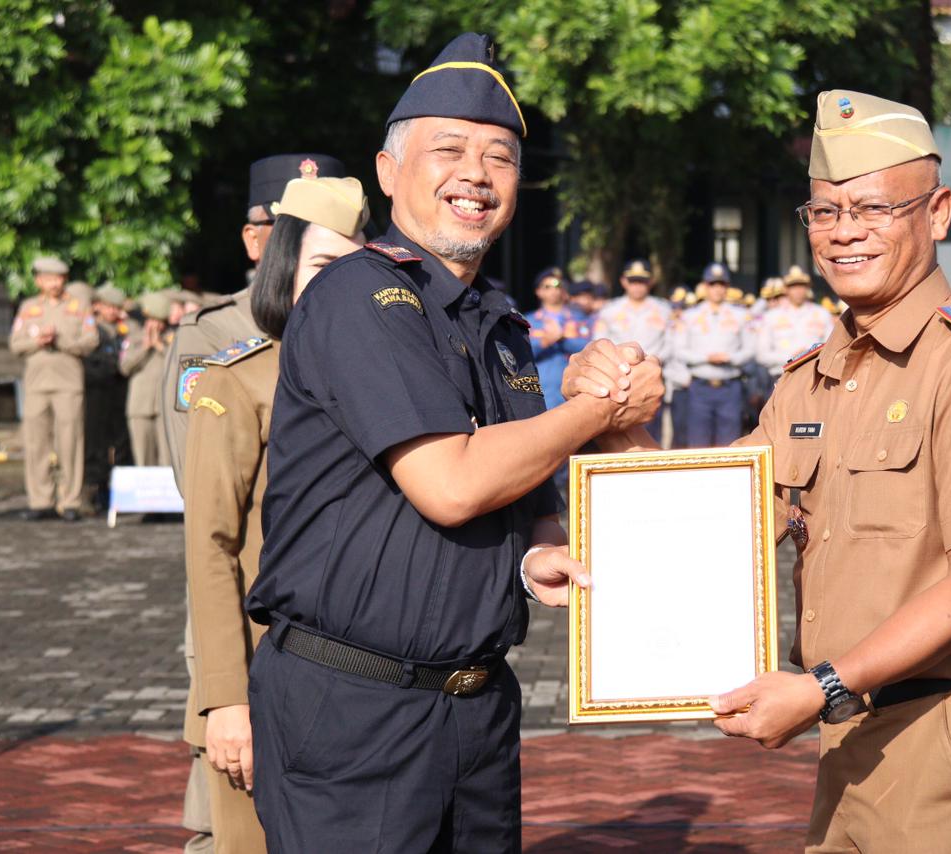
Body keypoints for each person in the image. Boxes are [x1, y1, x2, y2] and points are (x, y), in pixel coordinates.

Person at [564, 89, 951, 851]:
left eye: (871, 209)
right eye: (824, 213)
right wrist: (607, 415)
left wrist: (822, 686)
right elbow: (709, 516)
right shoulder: (809, 377)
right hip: (853, 733)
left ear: (936, 213)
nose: (843, 234)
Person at [243, 33, 662, 851]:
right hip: (352, 708)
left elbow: (522, 492)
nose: (476, 173)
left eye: (500, 158)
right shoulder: (359, 295)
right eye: (449, 150)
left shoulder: (499, 324)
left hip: (476, 710)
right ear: (390, 171)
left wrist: (539, 550)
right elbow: (454, 485)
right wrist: (598, 409)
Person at [182, 175, 370, 854]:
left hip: (364, 688)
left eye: (356, 264)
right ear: (283, 270)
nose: (340, 282)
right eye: (323, 264)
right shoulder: (239, 380)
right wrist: (226, 702)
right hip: (265, 683)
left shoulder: (387, 380)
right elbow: (210, 548)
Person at [161, 153, 347, 493]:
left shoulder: (364, 319)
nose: (305, 237)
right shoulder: (211, 331)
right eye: (289, 225)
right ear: (252, 239)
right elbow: (202, 481)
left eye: (326, 224)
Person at [9, 255, 99, 521]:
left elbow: (90, 340)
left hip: (68, 384)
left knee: (70, 442)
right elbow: (15, 344)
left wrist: (61, 341)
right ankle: (40, 501)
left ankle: (70, 500)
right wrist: (38, 341)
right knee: (36, 442)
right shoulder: (28, 307)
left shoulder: (78, 306)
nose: (53, 283)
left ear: (65, 279)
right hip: (36, 385)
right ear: (38, 281)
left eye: (58, 278)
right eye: (47, 278)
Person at [592, 258, 674, 445]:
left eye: (642, 281)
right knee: (618, 437)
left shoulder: (663, 310)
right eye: (633, 281)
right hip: (619, 380)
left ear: (651, 282)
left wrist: (650, 362)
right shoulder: (610, 310)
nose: (637, 286)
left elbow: (671, 344)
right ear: (623, 282)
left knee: (652, 436)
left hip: (651, 377)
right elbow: (599, 342)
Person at [674, 262, 754, 446]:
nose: (717, 289)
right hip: (700, 387)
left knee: (730, 443)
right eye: (713, 284)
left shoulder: (741, 315)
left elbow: (750, 350)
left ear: (727, 287)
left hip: (730, 386)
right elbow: (680, 351)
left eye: (721, 284)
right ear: (705, 286)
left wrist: (731, 358)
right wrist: (706, 358)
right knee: (698, 444)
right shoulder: (690, 315)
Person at [83, 283, 131, 512]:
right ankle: (96, 489)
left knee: (122, 442)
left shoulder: (125, 329)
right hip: (97, 391)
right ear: (98, 306)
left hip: (120, 391)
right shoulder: (91, 329)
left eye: (116, 307)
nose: (112, 311)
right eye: (108, 306)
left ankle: (121, 491)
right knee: (96, 442)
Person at [121, 292, 174, 466]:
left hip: (164, 407)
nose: (155, 325)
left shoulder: (172, 338)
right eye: (151, 320)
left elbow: (178, 365)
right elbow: (124, 367)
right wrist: (145, 348)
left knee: (167, 459)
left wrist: (160, 346)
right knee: (143, 458)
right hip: (139, 406)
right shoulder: (134, 338)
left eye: (158, 321)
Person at [528, 266, 591, 410]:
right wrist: (544, 342)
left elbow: (588, 348)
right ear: (538, 291)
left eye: (558, 286)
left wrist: (562, 338)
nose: (554, 290)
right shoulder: (529, 321)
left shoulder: (578, 319)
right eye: (547, 286)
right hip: (541, 391)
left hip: (574, 391)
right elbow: (519, 353)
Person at [756, 264, 834, 377]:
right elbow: (761, 355)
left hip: (813, 376)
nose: (798, 290)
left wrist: (809, 355)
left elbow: (831, 347)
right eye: (793, 286)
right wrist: (792, 357)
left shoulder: (822, 314)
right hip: (782, 376)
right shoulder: (771, 316)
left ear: (808, 288)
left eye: (801, 286)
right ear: (786, 289)